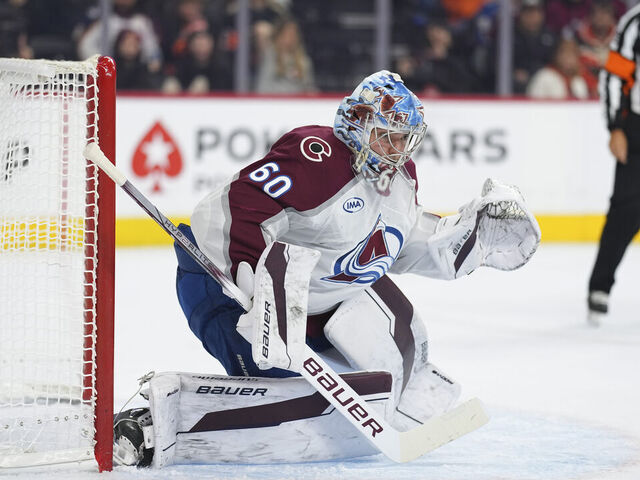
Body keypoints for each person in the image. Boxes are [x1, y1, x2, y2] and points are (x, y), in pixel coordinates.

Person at [113, 71, 540, 466]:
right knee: (281, 391)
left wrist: (470, 239)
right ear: (358, 124)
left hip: (320, 298)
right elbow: (231, 212)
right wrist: (255, 287)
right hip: (227, 286)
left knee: (405, 353)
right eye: (389, 137)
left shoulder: (401, 175)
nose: (400, 150)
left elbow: (400, 244)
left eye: (405, 139)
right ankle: (149, 425)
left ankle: (387, 401)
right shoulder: (315, 157)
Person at [587, 3, 640, 326]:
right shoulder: (636, 21)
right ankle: (600, 286)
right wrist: (615, 126)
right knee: (625, 209)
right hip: (637, 127)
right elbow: (614, 73)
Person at [526, 38, 591, 99]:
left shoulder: (579, 81)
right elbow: (533, 105)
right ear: (556, 55)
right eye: (564, 52)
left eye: (572, 54)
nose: (568, 57)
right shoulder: (544, 76)